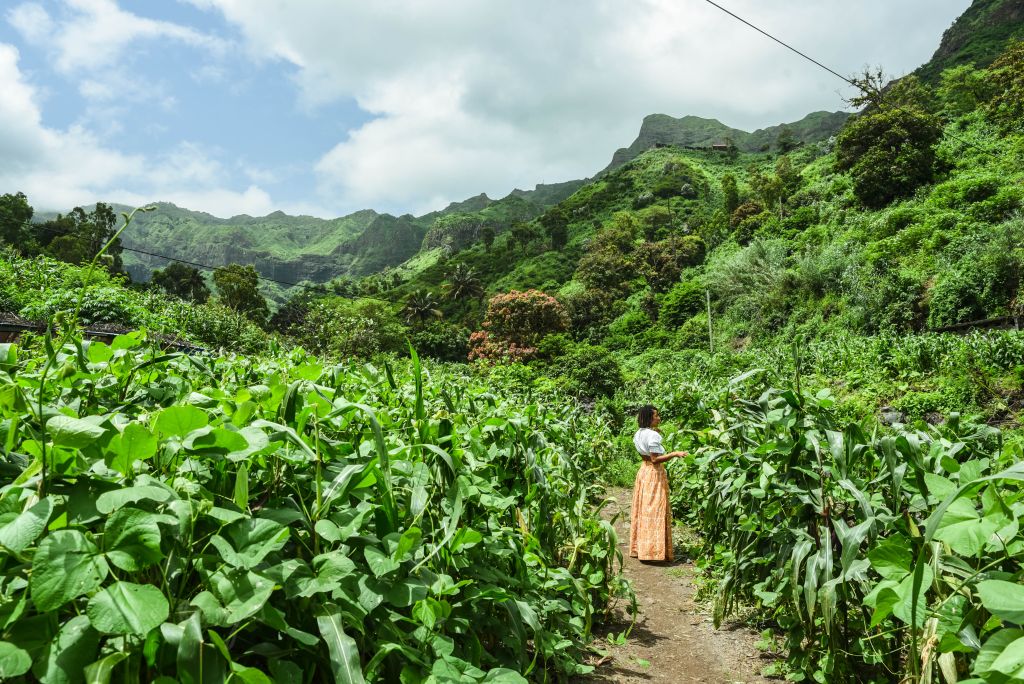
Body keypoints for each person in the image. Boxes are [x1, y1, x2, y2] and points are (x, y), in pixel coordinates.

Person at [629, 405, 688, 562]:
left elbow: (647, 454)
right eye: (656, 416)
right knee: (655, 510)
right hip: (654, 473)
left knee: (644, 508)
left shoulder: (639, 433)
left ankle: (641, 548)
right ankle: (653, 551)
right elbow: (655, 459)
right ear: (650, 418)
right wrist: (675, 454)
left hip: (643, 470)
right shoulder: (653, 436)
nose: (659, 418)